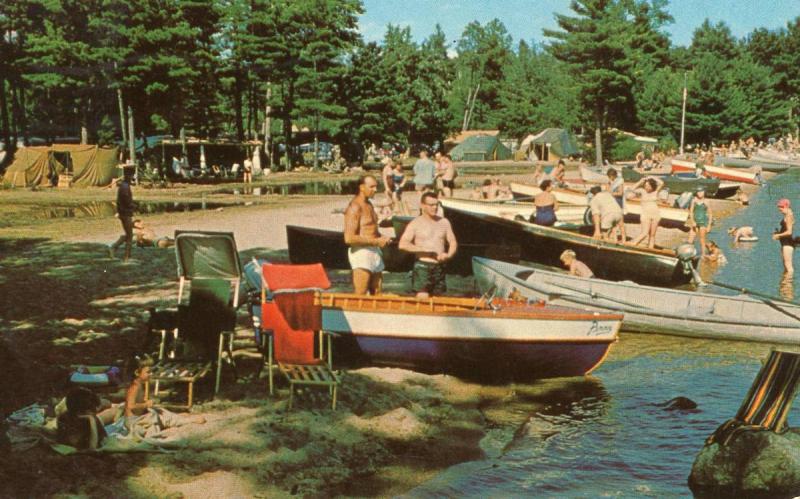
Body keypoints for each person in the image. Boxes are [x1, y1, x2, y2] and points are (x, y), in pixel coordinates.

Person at [398, 192, 458, 298]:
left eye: (436, 204)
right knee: (423, 298)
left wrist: (448, 255)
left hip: (439, 266)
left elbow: (453, 241)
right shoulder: (415, 223)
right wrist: (423, 250)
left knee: (438, 298)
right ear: (422, 205)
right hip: (423, 267)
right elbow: (402, 244)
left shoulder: (444, 222)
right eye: (431, 205)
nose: (434, 207)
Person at [344, 175, 393, 294]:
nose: (375, 190)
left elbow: (371, 230)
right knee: (361, 292)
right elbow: (349, 238)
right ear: (361, 187)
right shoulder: (354, 207)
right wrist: (376, 241)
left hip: (374, 250)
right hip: (361, 253)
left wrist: (382, 237)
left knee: (377, 292)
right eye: (372, 187)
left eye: (376, 186)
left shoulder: (369, 204)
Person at [109, 165, 136, 261]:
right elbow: (126, 201)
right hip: (125, 213)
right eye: (132, 174)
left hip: (125, 213)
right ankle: (126, 256)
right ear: (129, 175)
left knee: (128, 234)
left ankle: (115, 248)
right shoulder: (125, 186)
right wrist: (133, 206)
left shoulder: (124, 185)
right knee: (130, 235)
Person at [630, 176, 664, 249]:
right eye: (645, 185)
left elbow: (662, 183)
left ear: (652, 186)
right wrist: (640, 181)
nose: (647, 187)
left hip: (656, 215)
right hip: (645, 215)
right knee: (644, 233)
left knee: (652, 235)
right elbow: (632, 189)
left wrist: (651, 176)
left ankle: (650, 249)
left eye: (648, 186)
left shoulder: (655, 192)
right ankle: (632, 244)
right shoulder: (642, 191)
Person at [687, 188, 713, 256]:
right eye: (698, 192)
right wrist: (692, 221)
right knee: (690, 239)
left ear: (704, 192)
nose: (699, 193)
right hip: (695, 221)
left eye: (701, 192)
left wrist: (709, 225)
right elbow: (691, 212)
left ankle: (703, 254)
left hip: (703, 222)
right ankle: (689, 253)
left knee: (702, 239)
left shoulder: (706, 201)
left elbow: (710, 214)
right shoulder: (694, 200)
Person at [773, 198, 795, 275]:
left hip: (787, 244)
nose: (779, 209)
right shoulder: (788, 215)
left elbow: (789, 232)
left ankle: (788, 283)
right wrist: (779, 233)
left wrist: (778, 235)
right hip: (785, 243)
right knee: (786, 265)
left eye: (781, 207)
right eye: (779, 207)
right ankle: (785, 284)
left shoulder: (788, 216)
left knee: (788, 266)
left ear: (786, 206)